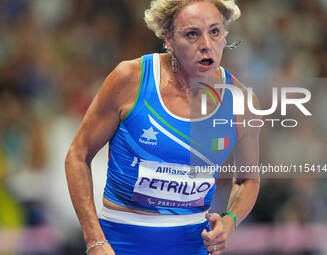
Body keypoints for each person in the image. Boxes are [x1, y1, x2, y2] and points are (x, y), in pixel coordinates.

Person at [65, 0, 261, 254]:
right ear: (168, 39)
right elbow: (77, 156)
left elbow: (248, 180)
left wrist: (230, 221)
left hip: (194, 246)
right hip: (120, 245)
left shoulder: (242, 102)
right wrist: (94, 240)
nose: (206, 44)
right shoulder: (130, 80)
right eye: (192, 34)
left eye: (215, 31)